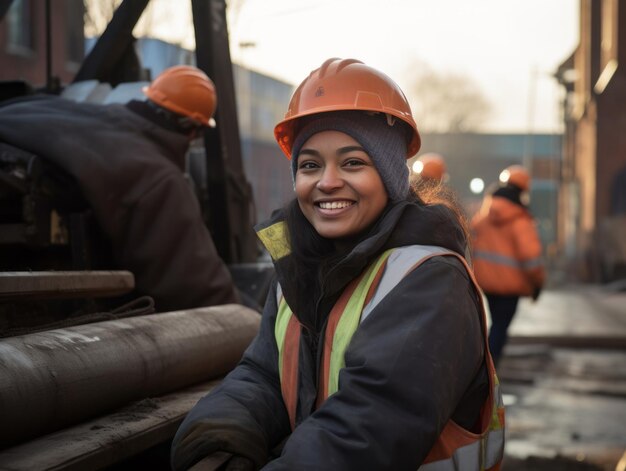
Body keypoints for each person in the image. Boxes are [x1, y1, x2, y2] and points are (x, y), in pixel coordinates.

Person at [170, 58, 504, 471]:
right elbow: (262, 375)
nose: (327, 181)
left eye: (352, 163)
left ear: (391, 178)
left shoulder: (430, 281)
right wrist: (216, 443)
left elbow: (366, 430)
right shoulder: (299, 266)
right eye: (310, 165)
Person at [0, 65, 239, 312]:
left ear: (150, 97)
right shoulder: (158, 178)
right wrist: (248, 318)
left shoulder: (79, 113)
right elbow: (197, 290)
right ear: (194, 129)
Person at [471, 165, 545, 365]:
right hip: (510, 287)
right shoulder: (520, 220)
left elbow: (471, 241)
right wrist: (537, 284)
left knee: (494, 325)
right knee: (500, 328)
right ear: (523, 191)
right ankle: (487, 369)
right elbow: (531, 258)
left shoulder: (484, 215)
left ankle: (481, 365)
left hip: (485, 282)